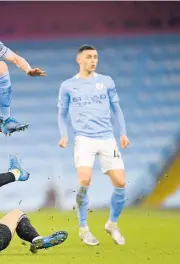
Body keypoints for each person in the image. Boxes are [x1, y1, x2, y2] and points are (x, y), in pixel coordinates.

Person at [57, 45, 130, 246]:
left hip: (107, 138)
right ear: (79, 60)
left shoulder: (106, 82)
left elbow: (117, 108)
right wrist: (64, 135)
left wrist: (123, 132)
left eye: (96, 57)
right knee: (84, 180)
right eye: (89, 57)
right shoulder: (68, 85)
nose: (93, 60)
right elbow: (62, 114)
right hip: (84, 139)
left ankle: (112, 224)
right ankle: (83, 228)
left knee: (121, 183)